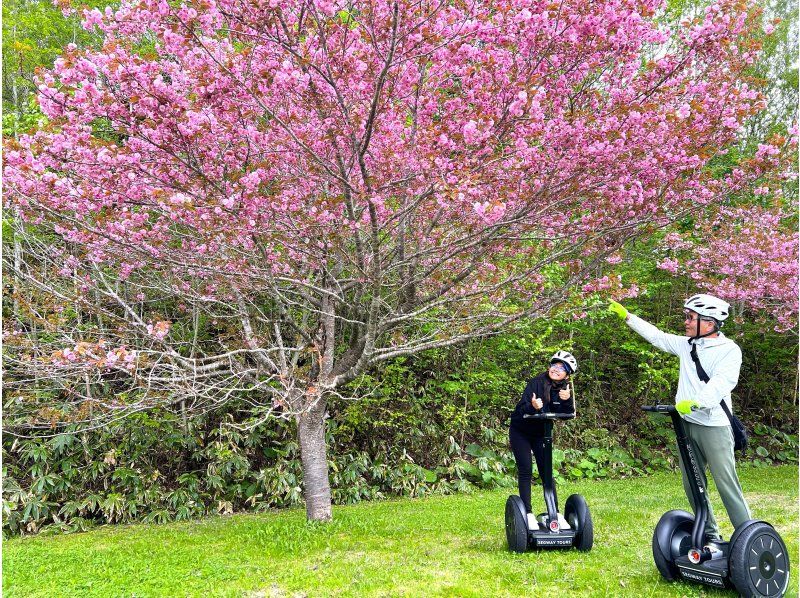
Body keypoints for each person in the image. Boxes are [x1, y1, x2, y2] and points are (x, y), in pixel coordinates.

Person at [608, 294, 751, 544]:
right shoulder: (688, 345)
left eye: (690, 317)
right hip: (686, 424)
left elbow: (723, 382)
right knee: (693, 483)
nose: (685, 321)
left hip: (713, 426)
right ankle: (709, 534)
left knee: (726, 484)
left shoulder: (729, 350)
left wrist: (698, 401)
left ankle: (748, 537)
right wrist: (629, 317)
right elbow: (658, 337)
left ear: (709, 322)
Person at [509, 350, 577, 530]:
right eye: (554, 365)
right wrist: (533, 406)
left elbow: (567, 415)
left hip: (542, 433)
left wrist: (567, 401)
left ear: (567, 374)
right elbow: (522, 408)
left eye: (562, 368)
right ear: (549, 366)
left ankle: (554, 513)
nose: (556, 369)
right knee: (526, 470)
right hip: (521, 431)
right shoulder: (536, 383)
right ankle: (528, 514)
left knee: (546, 472)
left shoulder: (565, 389)